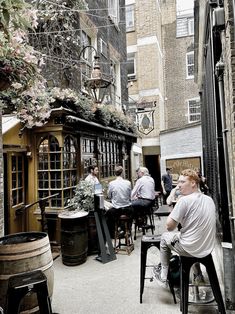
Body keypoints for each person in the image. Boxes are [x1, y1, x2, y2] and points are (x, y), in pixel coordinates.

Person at [153, 169, 216, 289]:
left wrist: (173, 196)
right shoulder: (209, 200)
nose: (178, 185)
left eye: (182, 182)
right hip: (207, 248)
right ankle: (198, 276)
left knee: (165, 237)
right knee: (190, 237)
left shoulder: (184, 200)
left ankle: (163, 276)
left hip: (191, 248)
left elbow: (169, 227)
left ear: (193, 183)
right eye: (178, 182)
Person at [105, 165, 133, 238]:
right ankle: (127, 230)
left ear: (115, 174)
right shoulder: (128, 183)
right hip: (127, 209)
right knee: (132, 211)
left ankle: (113, 233)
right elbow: (130, 196)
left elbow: (109, 196)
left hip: (116, 210)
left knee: (107, 215)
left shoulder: (111, 183)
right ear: (122, 173)